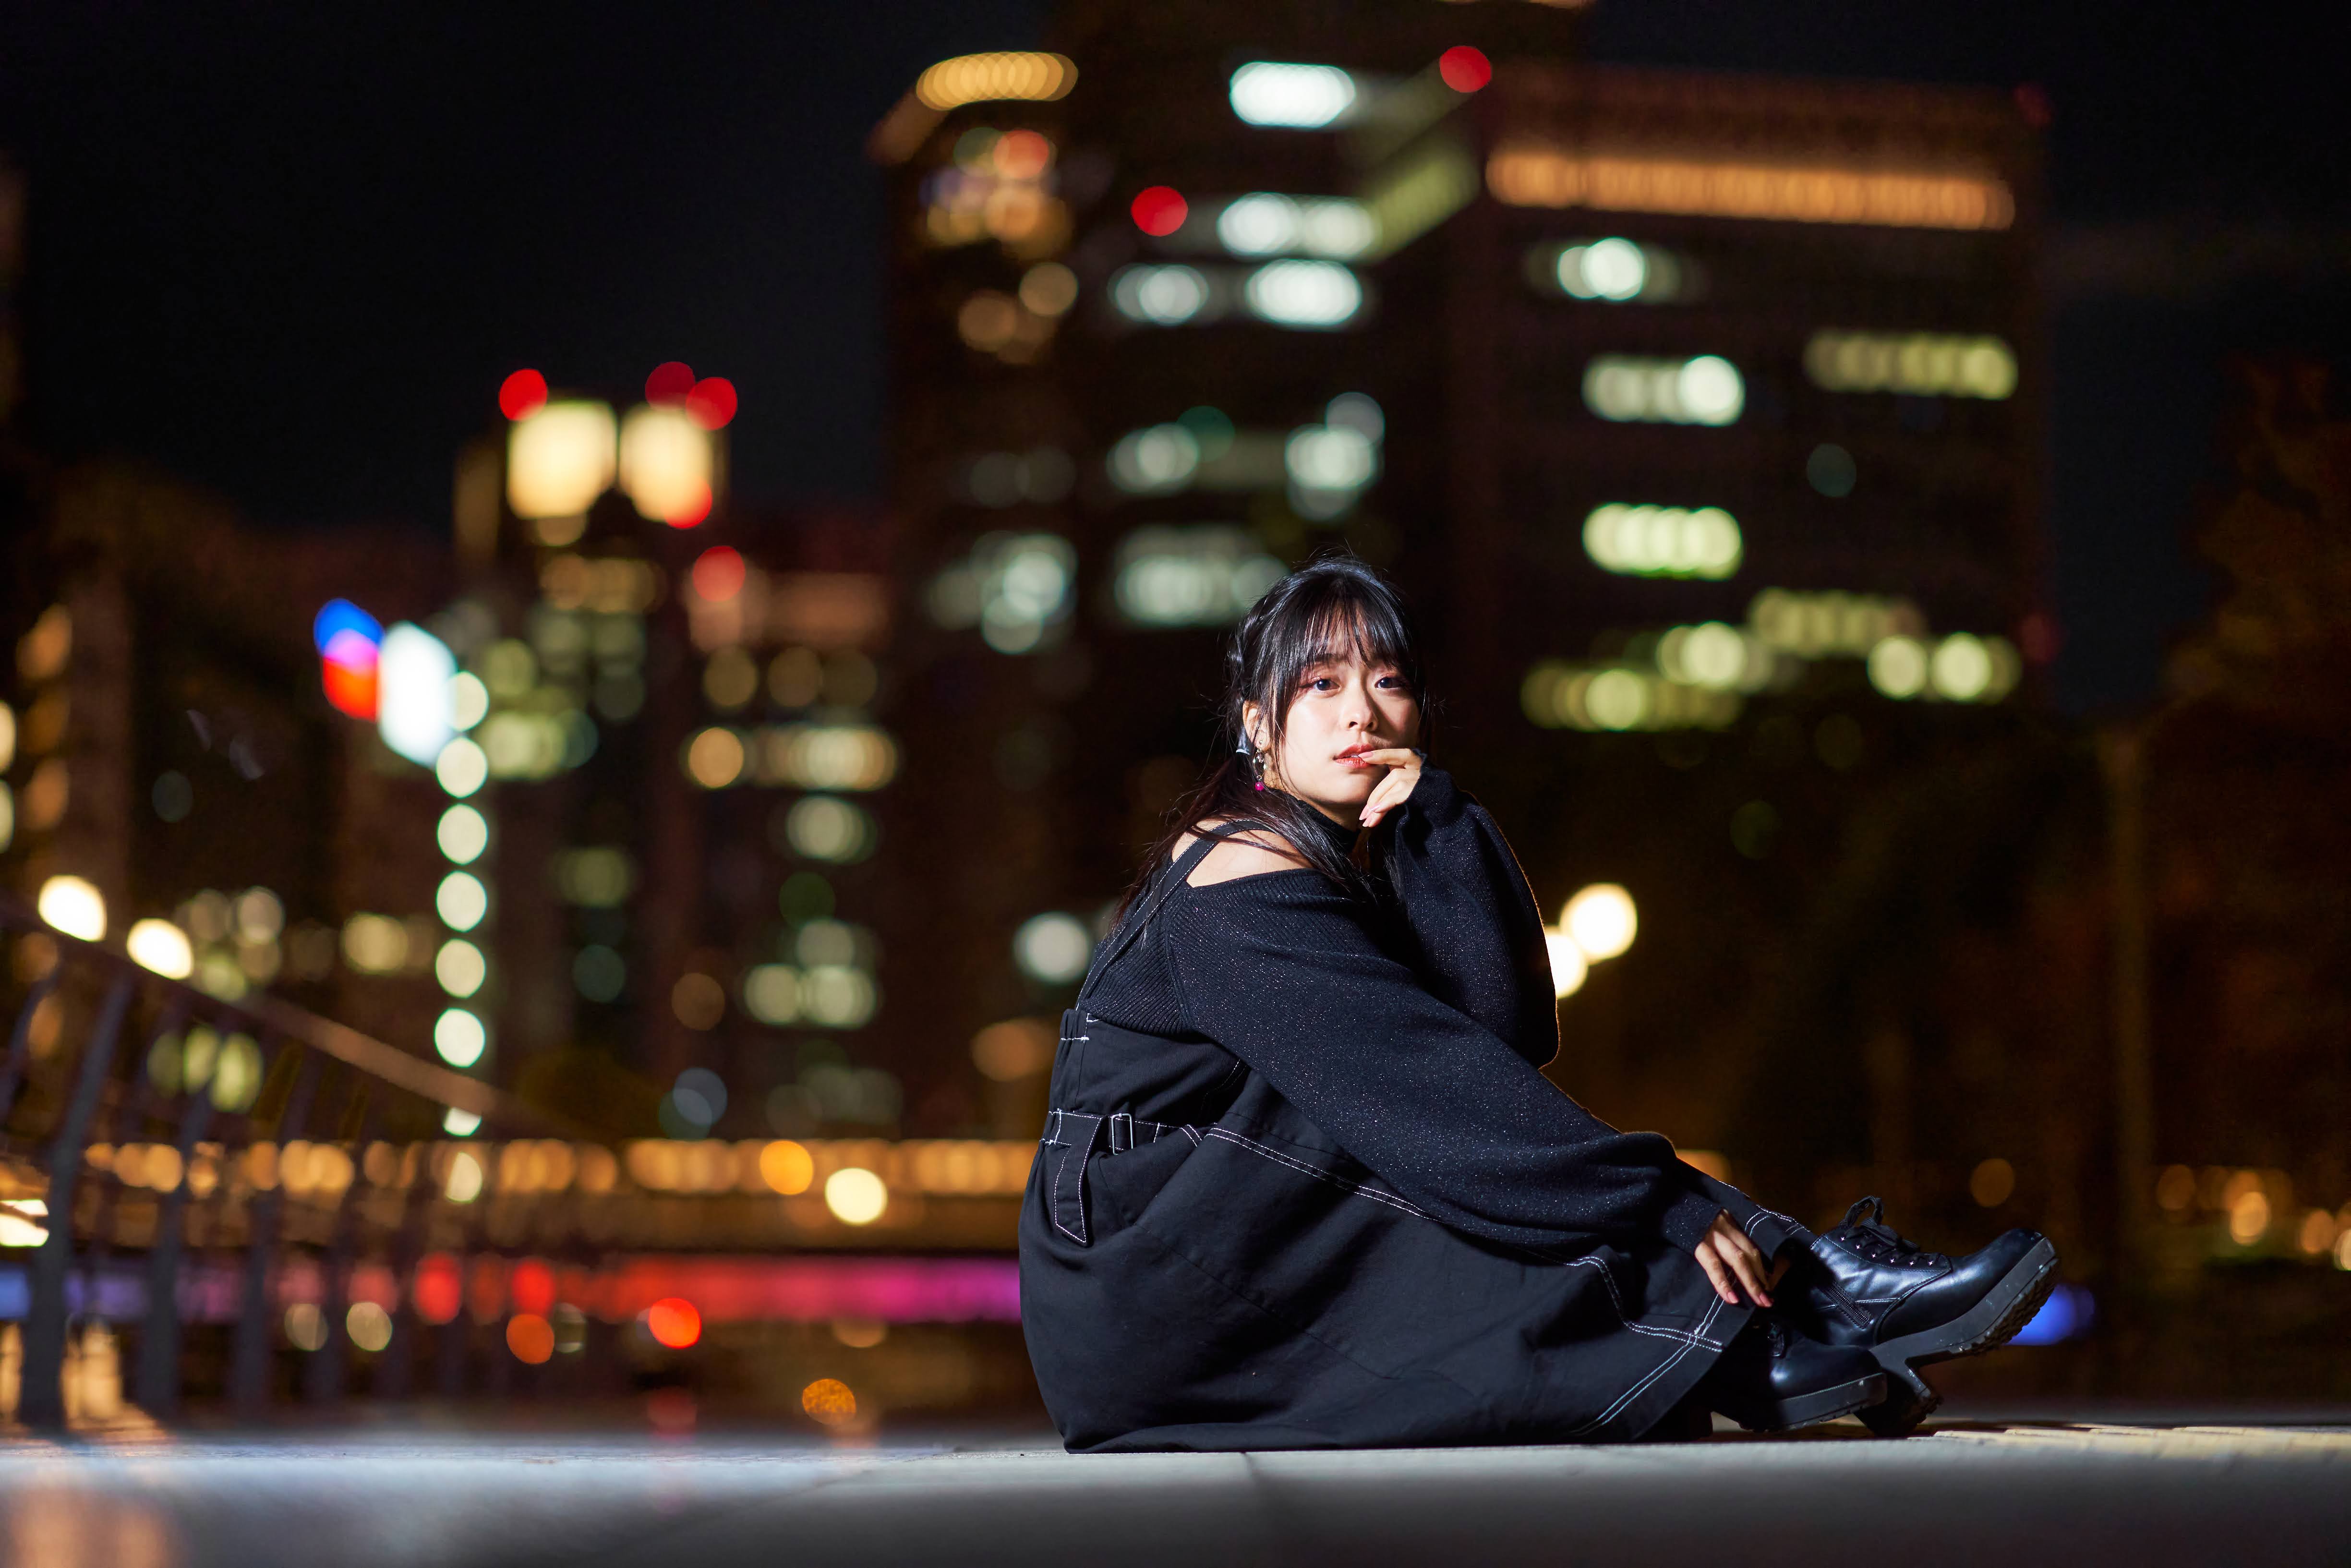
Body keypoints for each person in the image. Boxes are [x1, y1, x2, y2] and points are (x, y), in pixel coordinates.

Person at [1018, 556, 2057, 1451]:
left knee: (1474, 1154)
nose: (1360, 711)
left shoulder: (1341, 860)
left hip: (1217, 1241)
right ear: (1258, 723)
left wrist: (1435, 822)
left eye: (1388, 681)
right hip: (1149, 1271)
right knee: (1443, 1140)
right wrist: (1672, 1198)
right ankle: (1795, 1300)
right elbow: (1430, 1090)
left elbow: (1500, 1034)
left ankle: (1779, 1319)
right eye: (1321, 682)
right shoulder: (1239, 874)